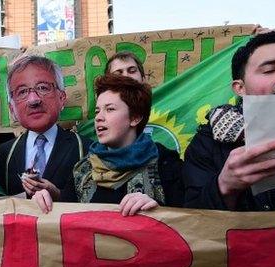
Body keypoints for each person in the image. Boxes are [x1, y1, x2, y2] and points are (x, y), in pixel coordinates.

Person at [183, 30, 275, 211]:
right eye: (269, 69)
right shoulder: (207, 144)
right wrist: (223, 187)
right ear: (240, 88)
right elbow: (192, 221)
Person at [33, 74, 184, 215]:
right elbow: (64, 222)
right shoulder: (83, 170)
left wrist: (157, 210)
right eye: (97, 111)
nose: (99, 118)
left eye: (110, 109)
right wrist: (45, 204)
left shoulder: (165, 162)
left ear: (135, 117)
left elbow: (188, 221)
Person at [0, 55, 91, 199]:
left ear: (62, 97)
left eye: (42, 88)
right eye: (22, 92)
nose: (34, 100)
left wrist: (59, 196)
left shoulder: (86, 148)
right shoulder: (6, 152)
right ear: (11, 108)